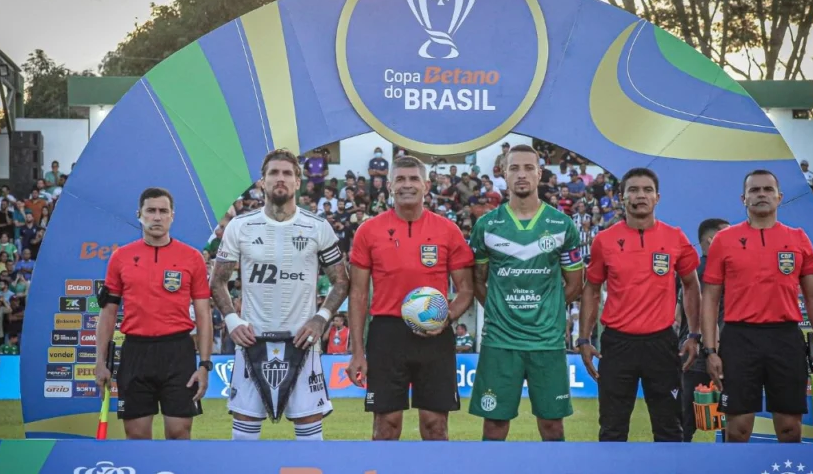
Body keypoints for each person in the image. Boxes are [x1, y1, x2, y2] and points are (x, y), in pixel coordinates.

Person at [210, 148, 350, 441]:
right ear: (262, 182)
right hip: (252, 341)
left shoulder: (318, 227)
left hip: (303, 340)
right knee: (244, 439)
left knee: (310, 438)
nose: (280, 179)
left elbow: (341, 281)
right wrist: (233, 321)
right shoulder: (240, 226)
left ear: (298, 182)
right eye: (273, 173)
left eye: (287, 173)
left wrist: (320, 319)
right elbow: (217, 281)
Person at [345, 155, 475, 441]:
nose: (407, 185)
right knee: (386, 426)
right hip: (387, 333)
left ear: (426, 185)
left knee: (435, 426)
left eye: (413, 179)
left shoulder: (448, 230)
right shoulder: (368, 230)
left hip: (435, 333)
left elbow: (466, 289)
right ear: (389, 185)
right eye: (400, 179)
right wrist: (356, 352)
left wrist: (446, 317)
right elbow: (357, 294)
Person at [702, 169, 813, 443]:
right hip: (739, 338)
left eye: (767, 190)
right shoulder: (724, 241)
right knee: (738, 428)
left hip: (785, 338)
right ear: (743, 198)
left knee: (789, 428)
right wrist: (711, 350)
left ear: (779, 197)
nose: (761, 195)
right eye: (754, 190)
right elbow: (710, 299)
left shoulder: (798, 237)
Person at [468, 144, 584, 441]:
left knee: (552, 426)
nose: (522, 174)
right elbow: (478, 282)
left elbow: (574, 284)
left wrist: (550, 309)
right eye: (514, 168)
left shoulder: (562, 224)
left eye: (528, 168)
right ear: (503, 174)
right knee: (494, 426)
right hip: (500, 340)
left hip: (546, 340)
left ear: (539, 174)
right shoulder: (486, 225)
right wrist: (499, 310)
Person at [577, 167, 702, 442]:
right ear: (622, 197)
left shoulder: (675, 237)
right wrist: (584, 338)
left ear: (657, 197)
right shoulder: (604, 240)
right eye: (633, 190)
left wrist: (694, 334)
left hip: (661, 343)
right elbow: (592, 290)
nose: (640, 195)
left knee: (670, 429)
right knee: (612, 429)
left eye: (647, 190)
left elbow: (692, 285)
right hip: (617, 344)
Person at [94, 187, 213, 440]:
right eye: (151, 211)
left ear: (172, 216)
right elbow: (108, 314)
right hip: (135, 352)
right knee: (136, 436)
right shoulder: (120, 257)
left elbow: (203, 315)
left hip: (178, 352)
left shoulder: (192, 257)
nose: (157, 217)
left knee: (179, 432)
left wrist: (204, 365)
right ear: (140, 215)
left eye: (163, 211)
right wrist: (100, 362)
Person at [678, 218, 729, 442]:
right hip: (708, 353)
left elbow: (676, 314)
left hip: (696, 353)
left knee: (685, 423)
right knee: (731, 421)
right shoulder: (702, 271)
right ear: (711, 239)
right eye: (726, 234)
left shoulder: (691, 270)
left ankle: (677, 465)